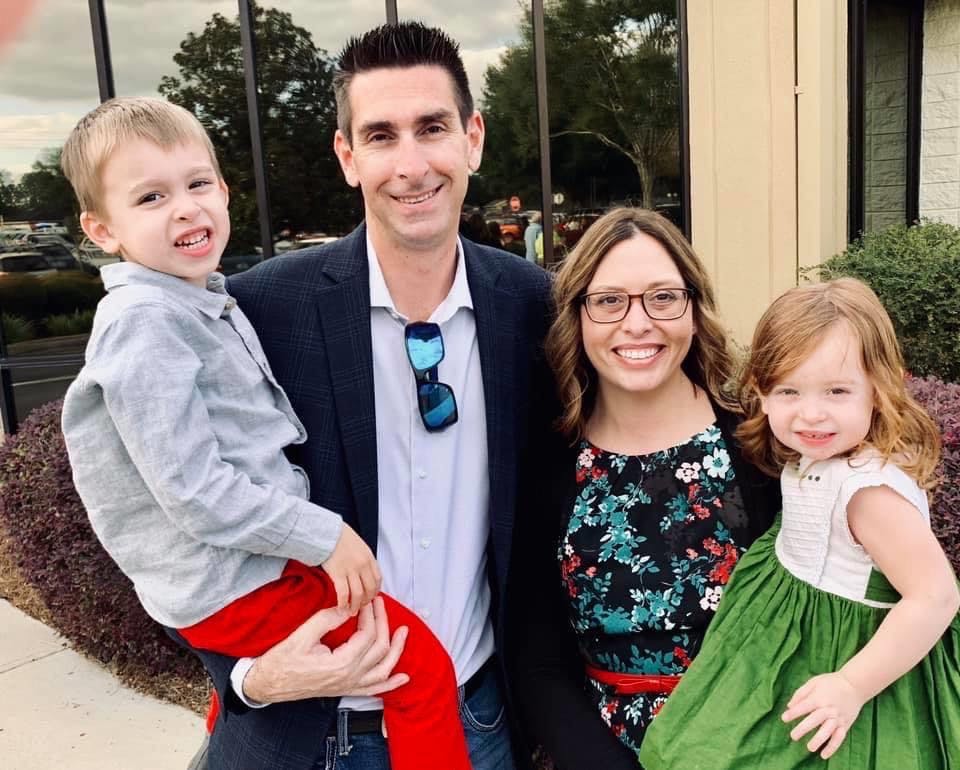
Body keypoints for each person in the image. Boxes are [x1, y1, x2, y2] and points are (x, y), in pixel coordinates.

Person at [174, 22, 553, 770]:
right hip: (300, 733)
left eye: (432, 128)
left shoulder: (532, 306)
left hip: (475, 727)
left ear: (472, 139)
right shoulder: (260, 311)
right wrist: (249, 679)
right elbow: (171, 517)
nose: (411, 165)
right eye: (381, 136)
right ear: (349, 157)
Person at [58, 95, 473, 770]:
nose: (185, 208)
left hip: (245, 570)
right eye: (151, 197)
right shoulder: (145, 322)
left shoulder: (198, 300)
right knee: (418, 670)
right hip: (236, 581)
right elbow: (193, 490)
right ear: (102, 228)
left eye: (197, 184)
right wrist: (325, 536)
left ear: (224, 192)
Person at [640, 278, 960, 769]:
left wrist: (851, 685)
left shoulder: (869, 493)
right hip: (786, 638)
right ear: (762, 393)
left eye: (837, 391)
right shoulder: (818, 454)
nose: (811, 414)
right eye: (789, 390)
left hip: (854, 660)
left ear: (879, 389)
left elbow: (935, 597)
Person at [507, 207, 780, 767]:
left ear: (694, 310)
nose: (638, 323)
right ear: (578, 317)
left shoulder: (759, 449)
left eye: (663, 297)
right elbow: (537, 661)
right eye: (609, 301)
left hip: (756, 746)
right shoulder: (549, 465)